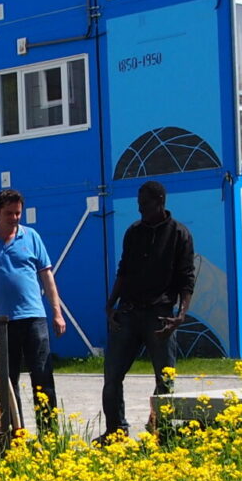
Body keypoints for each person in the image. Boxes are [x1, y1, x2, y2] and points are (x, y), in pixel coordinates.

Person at [100, 180, 196, 442]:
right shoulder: (134, 232)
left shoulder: (179, 234)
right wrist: (110, 304)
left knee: (164, 377)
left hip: (160, 314)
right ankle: (115, 431)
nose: (141, 210)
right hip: (128, 311)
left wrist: (181, 314)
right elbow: (123, 271)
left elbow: (187, 278)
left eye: (146, 205)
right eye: (139, 205)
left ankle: (160, 431)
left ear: (160, 203)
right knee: (112, 376)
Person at [0, 188, 66, 430]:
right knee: (7, 381)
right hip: (2, 321)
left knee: (42, 377)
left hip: (34, 318)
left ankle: (49, 432)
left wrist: (57, 312)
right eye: (9, 213)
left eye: (18, 213)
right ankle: (15, 433)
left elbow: (47, 276)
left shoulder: (31, 237)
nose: (14, 218)